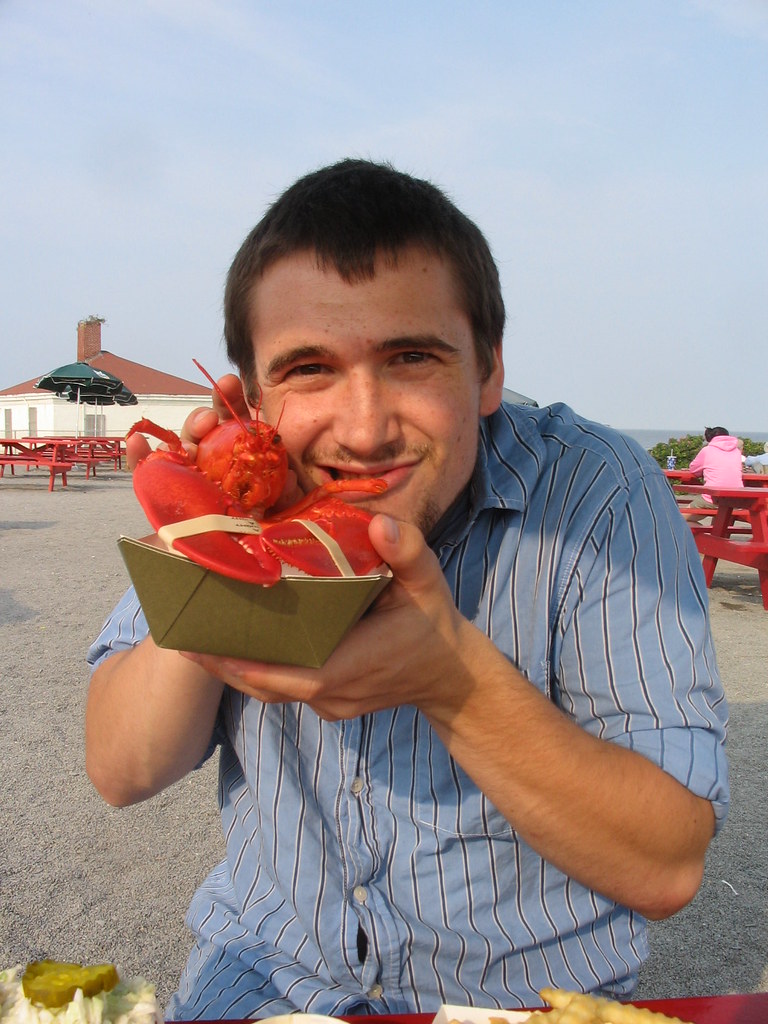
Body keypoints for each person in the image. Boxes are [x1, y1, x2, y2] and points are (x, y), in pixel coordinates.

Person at [86, 159, 728, 1019]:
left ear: (488, 370)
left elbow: (666, 865)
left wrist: (451, 679)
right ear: (255, 396)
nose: (364, 430)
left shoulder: (597, 489)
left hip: (520, 995)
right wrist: (221, 553)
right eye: (308, 369)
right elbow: (121, 769)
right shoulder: (234, 491)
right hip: (266, 970)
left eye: (412, 357)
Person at [686, 426, 743, 520]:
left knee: (679, 520)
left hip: (712, 498)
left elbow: (693, 469)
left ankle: (699, 529)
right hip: (736, 499)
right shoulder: (737, 451)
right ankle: (714, 530)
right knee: (721, 516)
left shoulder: (707, 450)